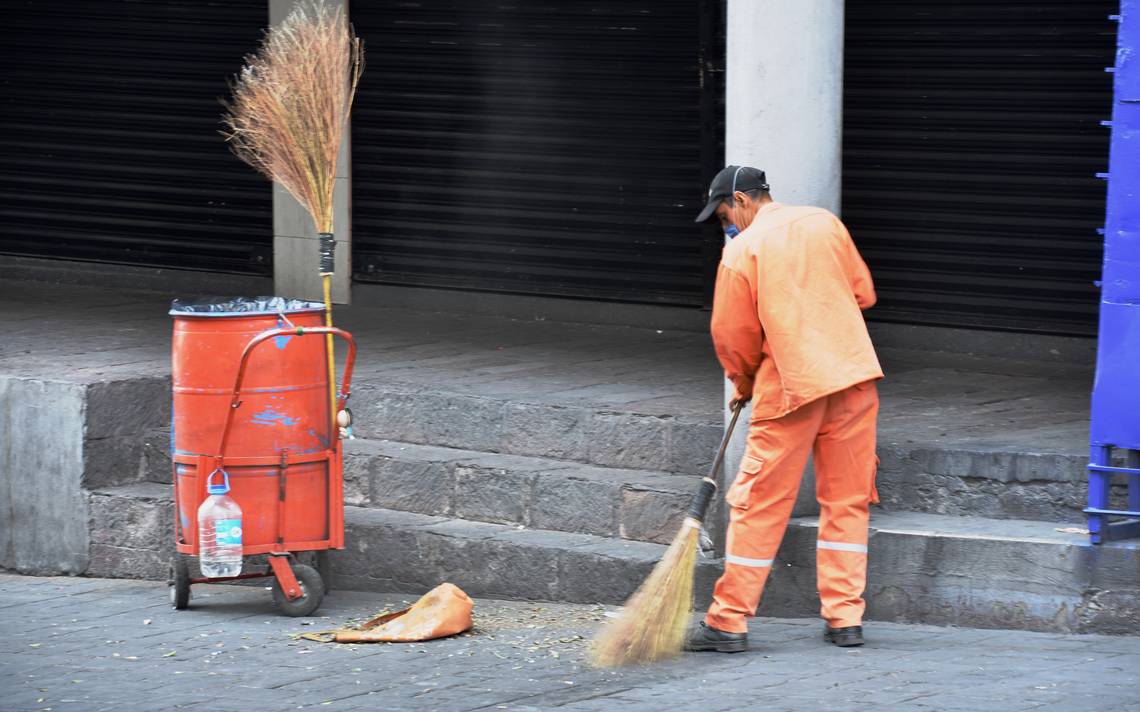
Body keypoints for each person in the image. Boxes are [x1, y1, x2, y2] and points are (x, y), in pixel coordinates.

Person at [687, 165, 883, 651]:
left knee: (761, 505)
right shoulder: (825, 223)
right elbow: (863, 294)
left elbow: (732, 336)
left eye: (724, 214)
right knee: (847, 502)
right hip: (853, 379)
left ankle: (728, 621)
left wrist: (743, 381)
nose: (725, 225)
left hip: (792, 388)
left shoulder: (742, 250)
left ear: (741, 200)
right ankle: (845, 618)